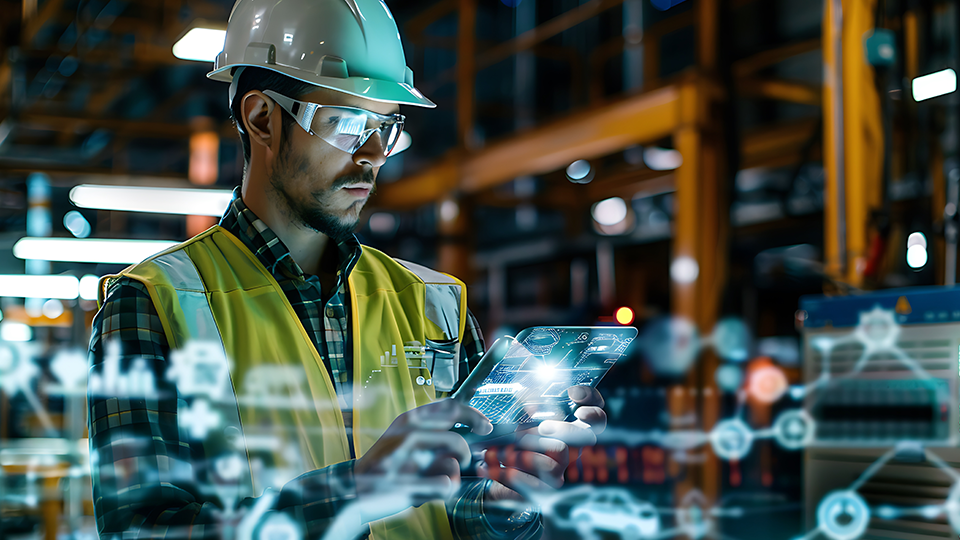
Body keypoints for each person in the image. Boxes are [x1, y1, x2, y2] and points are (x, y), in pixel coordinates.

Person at [86, 0, 607, 538]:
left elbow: (456, 505)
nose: (375, 154)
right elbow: (141, 530)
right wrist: (355, 492)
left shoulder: (434, 303)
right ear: (261, 118)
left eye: (388, 127)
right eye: (348, 122)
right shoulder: (152, 304)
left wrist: (508, 503)